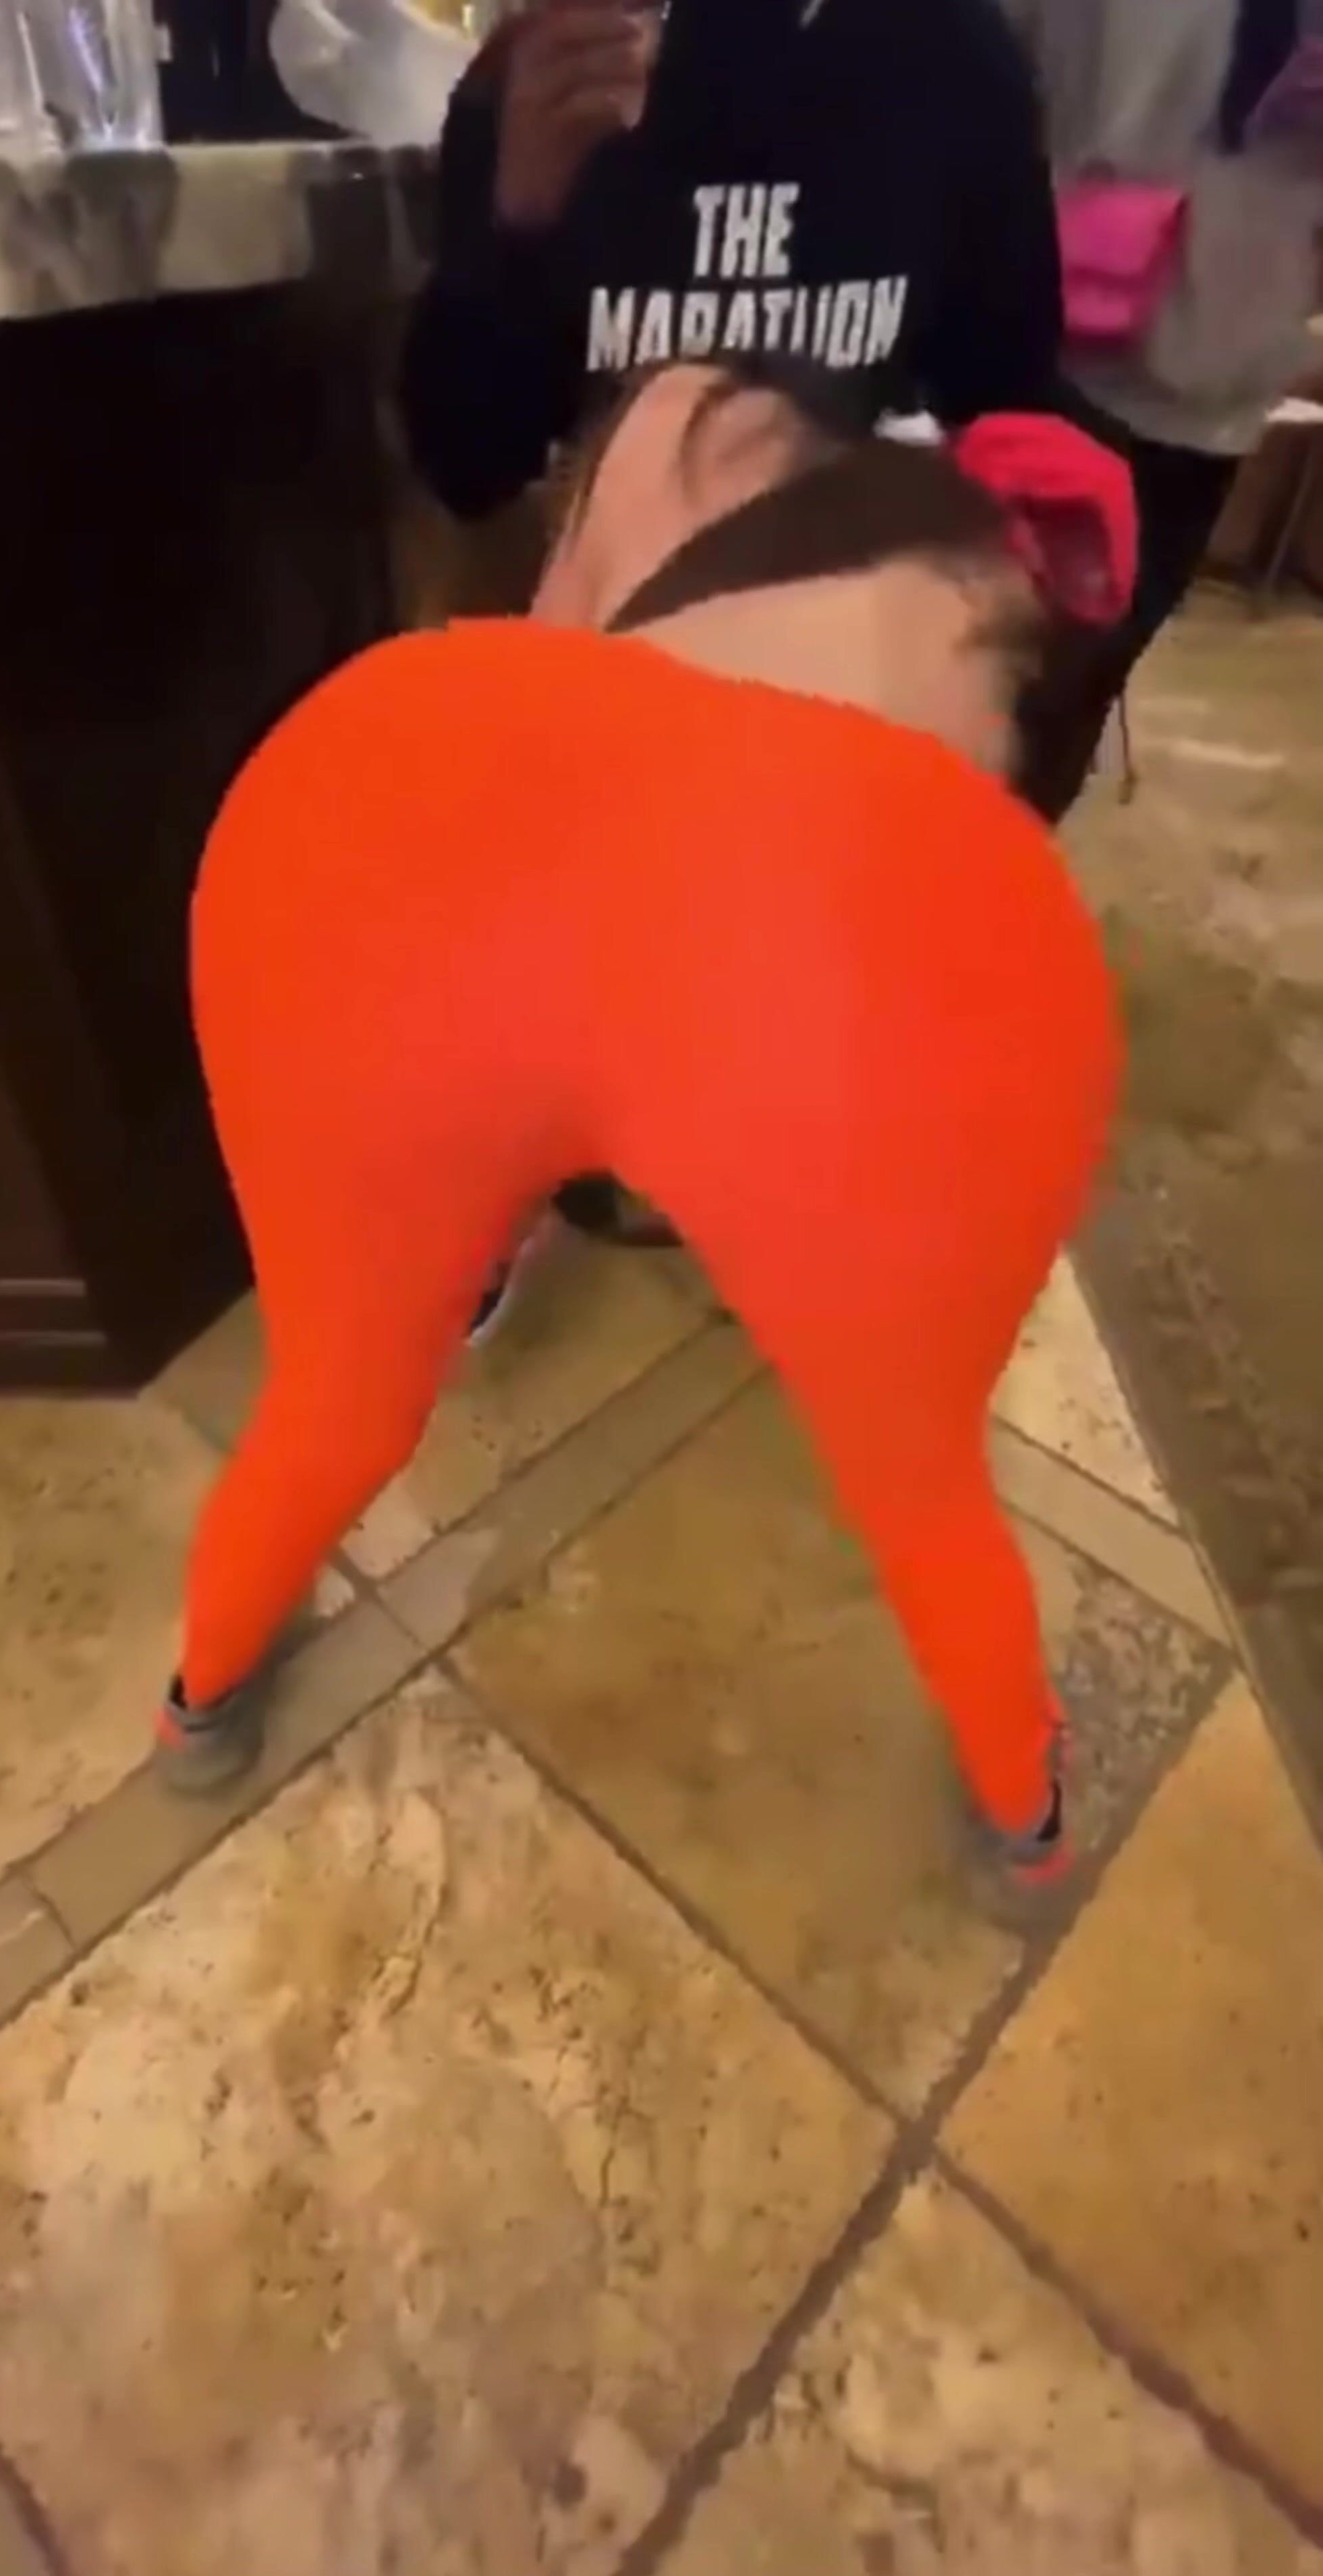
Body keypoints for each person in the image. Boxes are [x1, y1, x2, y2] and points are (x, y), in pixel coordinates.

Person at [154, 363, 1135, 1888]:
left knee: (338, 1397)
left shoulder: (679, 413)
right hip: (827, 996)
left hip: (407, 885)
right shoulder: (976, 592)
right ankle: (1025, 1811)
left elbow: (539, 694)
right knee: (919, 1477)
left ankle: (201, 1693)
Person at [397, 0, 1065, 524]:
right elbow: (466, 471)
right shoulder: (543, 77)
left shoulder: (950, 58)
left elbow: (1007, 410)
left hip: (860, 612)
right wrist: (516, 228)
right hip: (606, 622)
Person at [1005, 0, 1323, 820]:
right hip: (1049, 345)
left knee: (1070, 682)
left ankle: (992, 858)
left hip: (1212, 368)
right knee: (1000, 662)